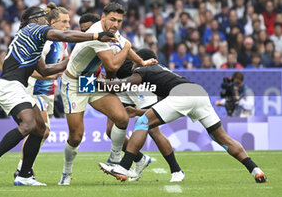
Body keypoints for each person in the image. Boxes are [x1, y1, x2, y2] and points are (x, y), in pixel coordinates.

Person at [0, 5, 115, 186]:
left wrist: (74, 61)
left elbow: (44, 70)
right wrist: (95, 36)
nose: (46, 19)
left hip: (17, 86)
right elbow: (63, 35)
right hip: (10, 86)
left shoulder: (32, 41)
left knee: (40, 129)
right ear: (35, 19)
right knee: (28, 124)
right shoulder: (33, 28)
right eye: (44, 16)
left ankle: (24, 175)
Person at [99, 49, 267, 183]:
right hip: (198, 93)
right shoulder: (162, 71)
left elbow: (122, 86)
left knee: (143, 123)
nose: (131, 64)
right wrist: (136, 112)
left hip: (182, 95)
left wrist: (96, 84)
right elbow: (163, 109)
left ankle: (124, 166)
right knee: (222, 138)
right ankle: (255, 169)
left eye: (134, 60)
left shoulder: (143, 69)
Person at [58, 3, 156, 185]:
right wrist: (127, 48)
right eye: (112, 19)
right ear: (103, 17)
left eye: (119, 20)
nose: (116, 23)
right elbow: (112, 65)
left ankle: (115, 159)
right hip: (73, 83)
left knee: (121, 118)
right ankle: (66, 172)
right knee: (76, 136)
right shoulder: (97, 34)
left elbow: (124, 46)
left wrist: (141, 60)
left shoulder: (112, 31)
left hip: (90, 81)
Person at [13, 3, 71, 178]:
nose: (67, 25)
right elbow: (31, 68)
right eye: (64, 22)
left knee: (41, 132)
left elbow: (68, 61)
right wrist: (49, 77)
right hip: (34, 90)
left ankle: (23, 168)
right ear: (51, 22)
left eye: (68, 22)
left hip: (47, 94)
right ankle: (22, 169)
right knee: (42, 130)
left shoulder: (62, 43)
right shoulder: (45, 41)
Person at [110, 59, 185, 182]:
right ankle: (139, 159)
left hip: (132, 80)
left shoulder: (116, 42)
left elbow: (131, 55)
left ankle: (176, 170)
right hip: (117, 81)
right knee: (111, 130)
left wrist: (141, 62)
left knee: (152, 129)